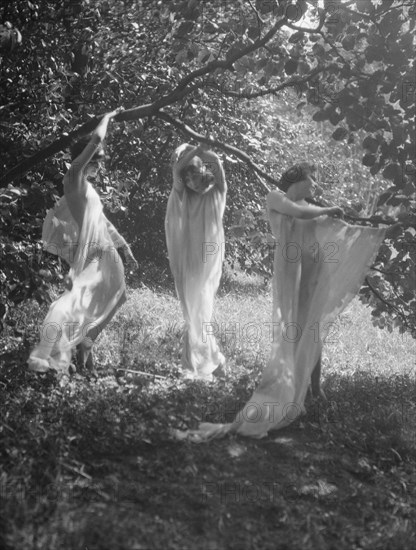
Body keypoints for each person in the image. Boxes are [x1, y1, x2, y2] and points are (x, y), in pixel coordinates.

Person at [179, 161, 386, 440]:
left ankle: (313, 388)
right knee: (292, 327)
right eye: (312, 179)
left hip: (314, 270)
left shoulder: (312, 208)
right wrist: (328, 209)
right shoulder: (276, 198)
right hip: (292, 269)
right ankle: (289, 387)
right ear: (297, 178)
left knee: (312, 326)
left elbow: (337, 231)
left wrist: (374, 231)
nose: (315, 185)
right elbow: (297, 212)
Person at [28, 108, 137, 375]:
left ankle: (86, 344)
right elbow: (96, 141)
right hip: (92, 252)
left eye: (99, 162)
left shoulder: (87, 188)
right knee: (74, 300)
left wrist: (124, 247)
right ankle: (58, 349)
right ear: (82, 160)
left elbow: (102, 221)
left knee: (119, 296)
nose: (98, 166)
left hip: (105, 248)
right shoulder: (73, 179)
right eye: (95, 161)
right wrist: (108, 118)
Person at [165, 142, 227, 381]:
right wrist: (189, 148)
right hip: (189, 257)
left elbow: (217, 164)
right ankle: (202, 363)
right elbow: (176, 171)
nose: (190, 179)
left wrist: (198, 150)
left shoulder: (217, 189)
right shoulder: (183, 194)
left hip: (208, 260)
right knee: (192, 312)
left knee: (200, 310)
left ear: (203, 169)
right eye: (187, 176)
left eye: (194, 172)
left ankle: (200, 364)